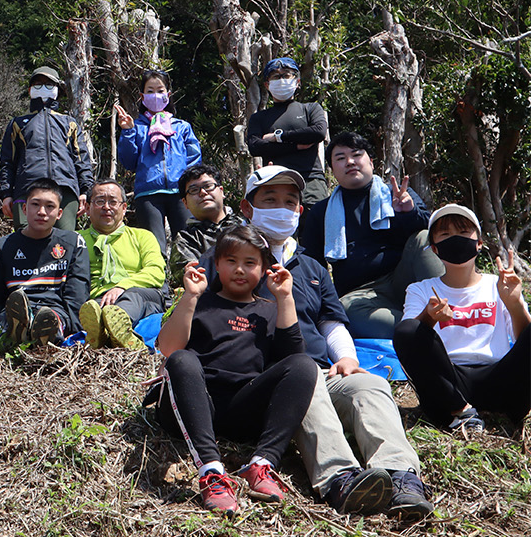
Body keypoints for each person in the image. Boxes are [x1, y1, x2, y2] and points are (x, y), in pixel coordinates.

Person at [190, 166, 432, 517]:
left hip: (323, 368)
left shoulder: (314, 267)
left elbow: (329, 320)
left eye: (290, 201)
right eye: (269, 199)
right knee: (306, 379)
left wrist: (347, 357)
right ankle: (341, 479)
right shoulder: (224, 260)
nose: (281, 207)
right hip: (272, 378)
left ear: (300, 211)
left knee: (371, 386)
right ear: (246, 208)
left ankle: (402, 477)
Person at [157, 226, 316, 514]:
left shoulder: (270, 310)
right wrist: (190, 296)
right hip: (195, 402)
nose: (239, 270)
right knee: (182, 359)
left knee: (305, 364)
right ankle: (211, 473)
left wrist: (285, 298)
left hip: (244, 409)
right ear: (216, 264)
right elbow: (169, 348)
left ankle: (262, 465)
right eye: (230, 261)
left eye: (250, 263)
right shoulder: (200, 303)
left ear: (266, 268)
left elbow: (293, 362)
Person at [395, 205, 530, 432]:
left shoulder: (498, 285)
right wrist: (429, 317)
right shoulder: (421, 289)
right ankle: (461, 411)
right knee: (407, 329)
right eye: (445, 235)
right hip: (448, 384)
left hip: (499, 378)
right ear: (434, 248)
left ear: (479, 243)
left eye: (464, 232)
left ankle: (508, 413)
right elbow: (409, 337)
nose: (456, 239)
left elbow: (523, 339)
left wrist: (514, 302)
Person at [298, 132, 443, 340]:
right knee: (346, 310)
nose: (350, 162)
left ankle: (451, 309)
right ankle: (424, 328)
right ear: (332, 170)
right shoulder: (321, 212)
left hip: (404, 279)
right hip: (360, 295)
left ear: (371, 162)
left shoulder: (398, 194)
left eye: (356, 155)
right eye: (340, 158)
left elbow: (431, 238)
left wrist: (408, 213)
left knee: (422, 237)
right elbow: (313, 265)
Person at [0, 180, 89, 352]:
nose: (42, 212)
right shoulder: (3, 246)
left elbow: (77, 296)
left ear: (59, 213)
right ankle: (18, 331)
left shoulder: (73, 243)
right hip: (15, 312)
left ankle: (45, 333)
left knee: (49, 317)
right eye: (35, 204)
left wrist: (73, 329)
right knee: (12, 314)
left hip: (54, 313)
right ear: (24, 209)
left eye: (49, 206)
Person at [114, 69, 202, 254]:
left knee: (186, 243)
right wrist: (128, 131)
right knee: (154, 248)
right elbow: (129, 162)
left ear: (168, 95)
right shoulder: (136, 127)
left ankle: (188, 282)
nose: (156, 95)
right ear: (142, 96)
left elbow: (194, 159)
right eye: (150, 91)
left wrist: (188, 186)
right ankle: (158, 283)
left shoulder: (181, 127)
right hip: (148, 193)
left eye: (160, 91)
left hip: (180, 193)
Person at [0, 67, 94, 229]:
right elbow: (7, 163)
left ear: (57, 89)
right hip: (26, 189)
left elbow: (81, 159)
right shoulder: (17, 123)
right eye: (38, 84)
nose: (43, 87)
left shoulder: (68, 122)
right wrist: (6, 195)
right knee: (26, 243)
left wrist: (86, 191)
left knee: (64, 244)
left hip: (65, 189)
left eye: (49, 84)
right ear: (30, 90)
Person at [78, 180, 165, 350]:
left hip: (142, 295)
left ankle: (111, 328)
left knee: (133, 296)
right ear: (87, 208)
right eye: (100, 201)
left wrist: (122, 287)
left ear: (124, 208)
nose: (106, 207)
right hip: (98, 299)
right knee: (92, 308)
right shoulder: (76, 240)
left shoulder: (143, 236)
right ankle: (107, 330)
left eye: (113, 202)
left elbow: (156, 272)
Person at [245, 57, 329, 204]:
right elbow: (255, 146)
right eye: (276, 77)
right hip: (275, 183)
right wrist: (295, 145)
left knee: (315, 224)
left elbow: (318, 132)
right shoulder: (259, 118)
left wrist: (278, 137)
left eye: (286, 75)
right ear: (267, 85)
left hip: (311, 181)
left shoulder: (310, 108)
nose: (282, 80)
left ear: (297, 82)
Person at [169, 164, 242, 285]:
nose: (203, 192)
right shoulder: (186, 240)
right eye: (193, 190)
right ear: (185, 203)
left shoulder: (245, 224)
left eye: (208, 186)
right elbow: (194, 276)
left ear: (221, 191)